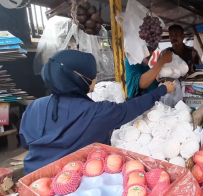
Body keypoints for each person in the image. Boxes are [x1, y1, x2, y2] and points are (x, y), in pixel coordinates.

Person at [19, 50, 175, 174]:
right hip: (73, 186)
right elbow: (130, 109)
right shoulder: (96, 112)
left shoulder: (34, 107)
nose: (95, 79)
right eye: (92, 75)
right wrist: (161, 90)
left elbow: (25, 143)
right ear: (78, 78)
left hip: (33, 182)